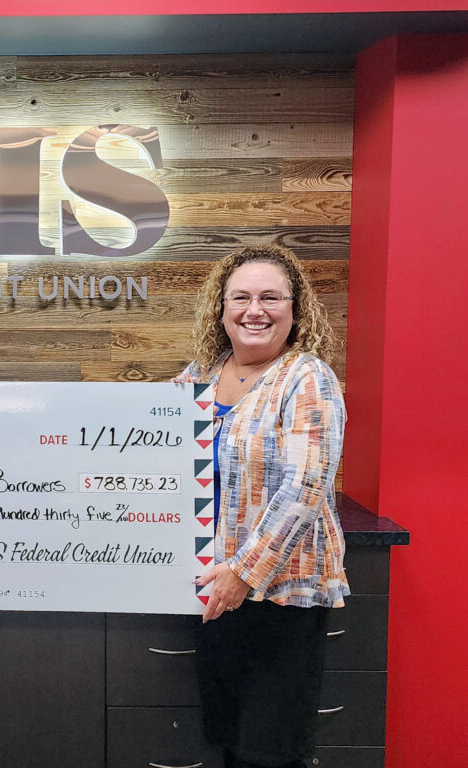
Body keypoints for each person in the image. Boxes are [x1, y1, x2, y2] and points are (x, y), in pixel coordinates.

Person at [174, 244, 349, 768]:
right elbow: (157, 446)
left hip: (279, 596)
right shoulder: (203, 370)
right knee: (229, 739)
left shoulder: (306, 377)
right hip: (214, 588)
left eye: (271, 297)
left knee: (269, 750)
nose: (255, 309)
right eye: (241, 297)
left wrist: (244, 573)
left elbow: (305, 488)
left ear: (295, 310)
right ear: (221, 309)